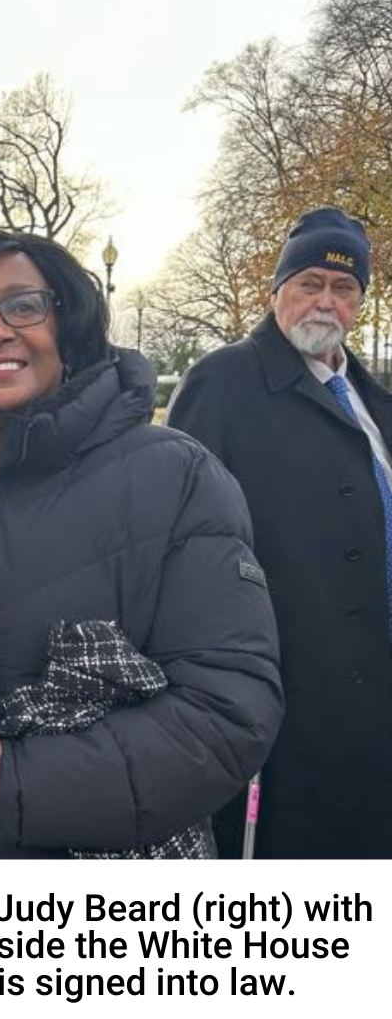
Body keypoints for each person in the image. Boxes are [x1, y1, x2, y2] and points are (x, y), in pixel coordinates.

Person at [0, 228, 282, 858]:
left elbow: (229, 712)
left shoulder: (173, 476)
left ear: (69, 324)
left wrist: (16, 782)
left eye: (24, 305)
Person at [167, 207, 392, 858]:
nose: (325, 300)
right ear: (276, 293)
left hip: (373, 708)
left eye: (344, 288)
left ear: (360, 305)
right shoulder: (224, 382)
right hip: (283, 713)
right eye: (309, 282)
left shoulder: (375, 404)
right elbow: (179, 541)